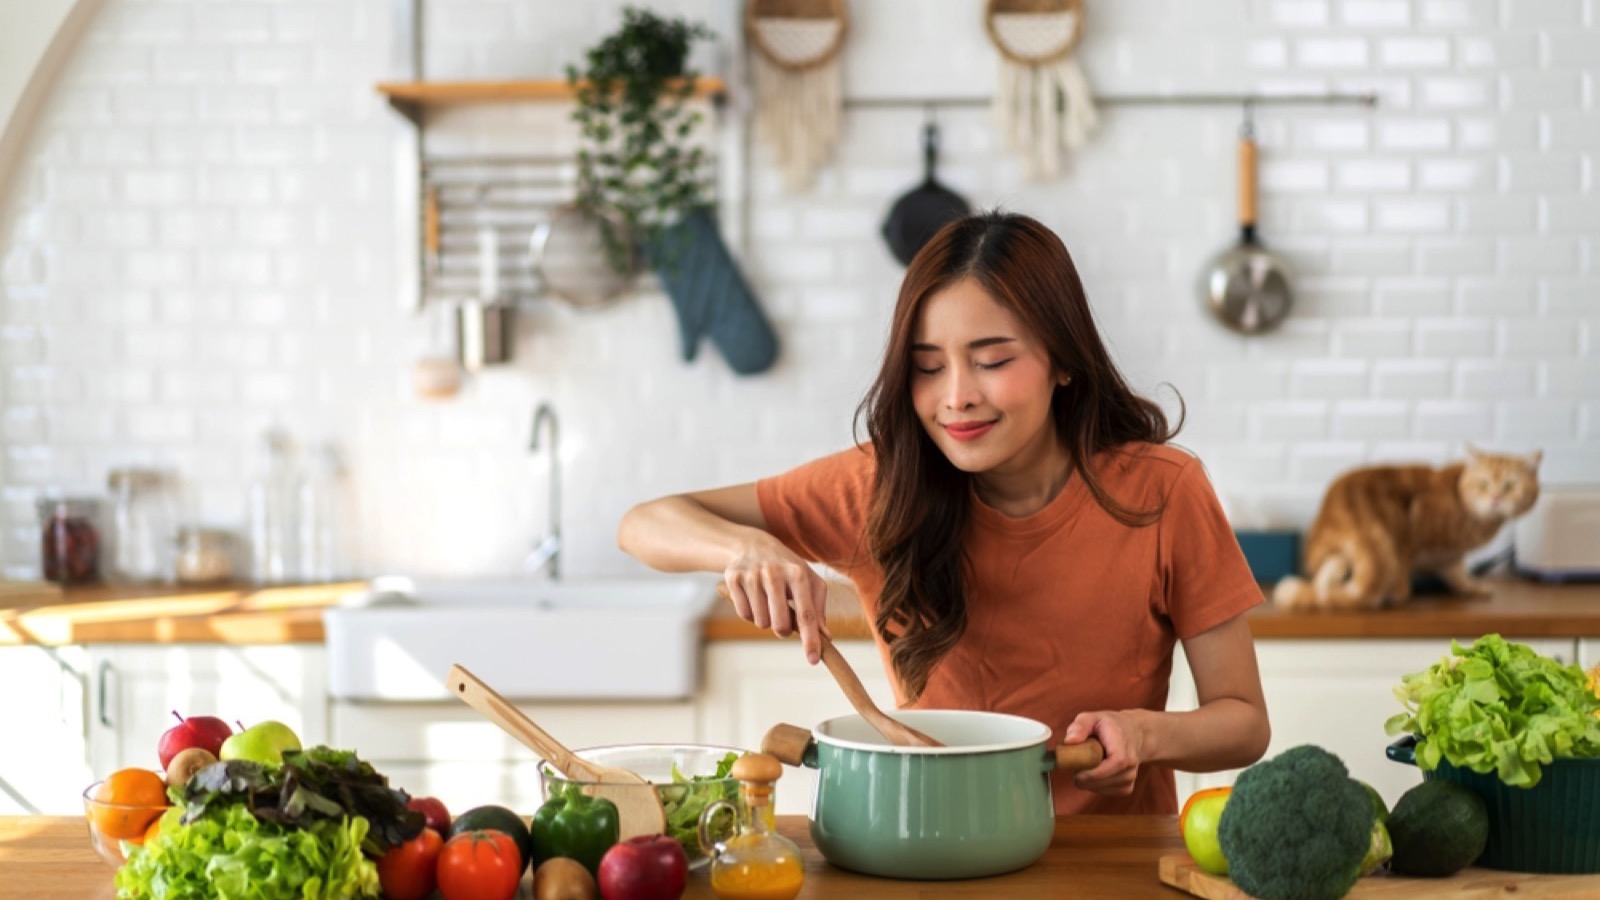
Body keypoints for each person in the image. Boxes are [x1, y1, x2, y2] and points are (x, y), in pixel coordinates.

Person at [617, 210, 1271, 815]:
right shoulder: (880, 485)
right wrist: (744, 548)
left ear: (1064, 360)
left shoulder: (1162, 491)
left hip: (1112, 860)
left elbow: (1243, 723)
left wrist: (1144, 734)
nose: (956, 398)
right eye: (928, 367)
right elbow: (644, 524)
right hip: (928, 843)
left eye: (992, 361)